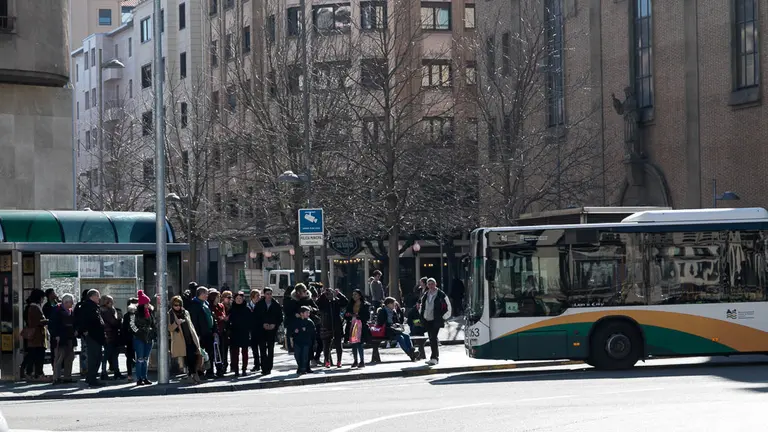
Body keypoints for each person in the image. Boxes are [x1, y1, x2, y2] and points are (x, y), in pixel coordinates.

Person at [168, 295, 201, 383]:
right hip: (180, 340)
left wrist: (196, 337)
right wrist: (176, 323)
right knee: (187, 358)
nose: (177, 307)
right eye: (175, 305)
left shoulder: (185, 312)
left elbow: (191, 325)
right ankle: (192, 374)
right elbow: (169, 328)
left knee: (194, 356)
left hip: (190, 337)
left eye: (179, 305)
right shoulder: (170, 314)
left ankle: (193, 373)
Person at [420, 278, 452, 366]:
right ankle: (433, 357)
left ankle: (434, 358)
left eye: (432, 284)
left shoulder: (441, 295)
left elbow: (448, 307)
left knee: (433, 338)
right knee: (431, 338)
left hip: (436, 320)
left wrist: (443, 317)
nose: (430, 286)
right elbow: (422, 306)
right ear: (427, 285)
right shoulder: (425, 295)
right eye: (429, 284)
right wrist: (422, 316)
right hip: (427, 319)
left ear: (436, 284)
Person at [78, 289, 106, 387]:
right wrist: (85, 331)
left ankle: (92, 377)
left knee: (97, 357)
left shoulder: (93, 306)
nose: (99, 298)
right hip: (93, 336)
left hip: (96, 336)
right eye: (97, 296)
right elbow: (85, 321)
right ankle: (91, 378)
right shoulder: (87, 307)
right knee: (94, 358)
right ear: (92, 296)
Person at [129, 290, 156, 386]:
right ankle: (139, 378)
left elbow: (153, 323)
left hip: (149, 337)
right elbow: (132, 325)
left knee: (145, 359)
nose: (148, 304)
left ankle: (145, 377)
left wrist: (153, 332)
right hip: (139, 338)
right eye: (146, 303)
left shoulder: (150, 312)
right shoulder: (134, 313)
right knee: (140, 358)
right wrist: (138, 333)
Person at [253, 287, 282, 376]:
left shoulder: (276, 304)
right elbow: (256, 317)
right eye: (267, 294)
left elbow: (280, 317)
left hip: (272, 331)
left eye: (270, 294)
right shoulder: (259, 304)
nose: (269, 295)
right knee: (262, 349)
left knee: (270, 349)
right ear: (264, 294)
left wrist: (274, 325)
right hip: (262, 330)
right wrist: (262, 324)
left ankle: (269, 367)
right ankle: (263, 367)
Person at [188, 286, 215, 379]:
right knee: (201, 354)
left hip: (208, 332)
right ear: (201, 294)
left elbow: (211, 317)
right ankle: (200, 372)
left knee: (209, 353)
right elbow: (194, 321)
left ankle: (210, 371)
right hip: (200, 334)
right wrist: (197, 335)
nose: (207, 295)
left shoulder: (205, 304)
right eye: (206, 293)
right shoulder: (195, 305)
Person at [21, 289, 49, 381]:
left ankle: (31, 373)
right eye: (42, 298)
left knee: (32, 355)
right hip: (37, 336)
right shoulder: (34, 308)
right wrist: (48, 321)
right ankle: (37, 374)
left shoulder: (31, 307)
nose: (43, 300)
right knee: (38, 356)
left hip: (35, 337)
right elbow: (38, 321)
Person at [49, 293, 76, 384]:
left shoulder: (70, 311)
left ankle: (67, 376)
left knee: (70, 357)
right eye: (71, 302)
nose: (72, 304)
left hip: (69, 337)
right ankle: (56, 377)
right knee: (59, 357)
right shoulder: (57, 310)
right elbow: (53, 324)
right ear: (66, 302)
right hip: (60, 338)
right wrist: (56, 335)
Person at [317, 286, 347, 368]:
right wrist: (323, 295)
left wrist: (339, 294)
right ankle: (327, 361)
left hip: (337, 325)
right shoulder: (323, 303)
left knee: (338, 344)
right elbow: (317, 304)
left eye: (330, 293)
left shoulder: (336, 301)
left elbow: (345, 302)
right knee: (326, 344)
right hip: (326, 325)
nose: (329, 295)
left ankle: (339, 361)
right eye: (327, 294)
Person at [344, 289, 371, 369]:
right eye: (353, 295)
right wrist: (348, 315)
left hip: (360, 325)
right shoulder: (351, 304)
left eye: (355, 294)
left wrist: (358, 315)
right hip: (352, 324)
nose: (354, 296)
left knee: (359, 343)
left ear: (359, 295)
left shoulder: (365, 305)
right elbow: (346, 314)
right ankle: (355, 360)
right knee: (353, 343)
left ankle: (362, 361)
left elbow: (367, 316)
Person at [100, 295, 123, 380]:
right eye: (111, 301)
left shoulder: (101, 310)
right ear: (107, 302)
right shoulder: (107, 311)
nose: (113, 303)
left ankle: (114, 371)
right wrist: (120, 319)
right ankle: (106, 372)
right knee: (109, 355)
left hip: (108, 335)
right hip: (110, 335)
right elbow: (113, 322)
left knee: (111, 354)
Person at [227, 291, 251, 376]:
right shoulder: (231, 309)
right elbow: (228, 320)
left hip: (244, 332)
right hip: (234, 332)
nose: (239, 300)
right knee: (235, 353)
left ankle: (244, 369)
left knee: (245, 352)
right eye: (237, 298)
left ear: (243, 299)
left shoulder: (247, 309)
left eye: (240, 298)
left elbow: (250, 321)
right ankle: (236, 370)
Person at [291, 306, 316, 375]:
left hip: (306, 342)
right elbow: (291, 330)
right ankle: (300, 367)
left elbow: (313, 331)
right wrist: (294, 331)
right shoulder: (296, 321)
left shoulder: (310, 322)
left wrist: (307, 330)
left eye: (309, 313)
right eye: (306, 312)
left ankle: (303, 369)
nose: (308, 314)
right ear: (301, 313)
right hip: (297, 341)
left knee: (305, 356)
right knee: (297, 355)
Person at [209, 289, 229, 377]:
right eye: (217, 297)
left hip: (221, 331)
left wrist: (223, 318)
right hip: (213, 332)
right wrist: (218, 318)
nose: (219, 298)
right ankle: (210, 370)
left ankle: (220, 369)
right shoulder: (209, 306)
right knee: (213, 352)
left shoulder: (221, 306)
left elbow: (223, 315)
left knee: (221, 351)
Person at [121, 298, 138, 381]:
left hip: (130, 338)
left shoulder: (127, 315)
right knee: (132, 356)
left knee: (130, 357)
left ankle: (130, 374)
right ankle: (130, 374)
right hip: (132, 338)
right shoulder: (129, 315)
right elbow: (125, 328)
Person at [42, 289, 58, 367]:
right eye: (53, 293)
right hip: (52, 330)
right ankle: (54, 366)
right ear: (49, 295)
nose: (55, 294)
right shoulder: (46, 306)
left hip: (60, 329)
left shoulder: (58, 304)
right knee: (54, 349)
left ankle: (61, 367)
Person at [247, 289, 261, 372]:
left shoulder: (261, 305)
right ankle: (256, 364)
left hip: (261, 329)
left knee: (262, 348)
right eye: (257, 296)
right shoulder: (248, 306)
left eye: (259, 296)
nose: (259, 298)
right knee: (254, 348)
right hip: (252, 330)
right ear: (252, 297)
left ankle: (262, 364)